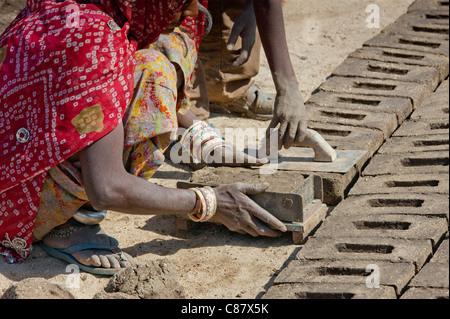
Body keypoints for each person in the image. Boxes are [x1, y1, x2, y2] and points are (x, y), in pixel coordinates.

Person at [0, 0, 290, 275]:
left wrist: (202, 137)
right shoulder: (95, 44)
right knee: (155, 73)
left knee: (154, 58)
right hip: (11, 202)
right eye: (180, 2)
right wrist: (209, 202)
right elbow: (108, 188)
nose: (190, 10)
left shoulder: (89, 11)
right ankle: (65, 225)